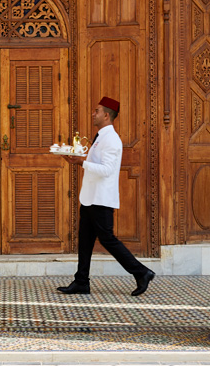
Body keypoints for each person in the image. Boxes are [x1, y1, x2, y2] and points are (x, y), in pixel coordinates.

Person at [58, 97, 155, 296]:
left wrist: (81, 163)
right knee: (85, 240)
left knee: (108, 240)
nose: (93, 114)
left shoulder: (111, 139)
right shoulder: (100, 137)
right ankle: (81, 281)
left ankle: (141, 272)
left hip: (101, 200)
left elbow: (107, 170)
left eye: (97, 111)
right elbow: (94, 163)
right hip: (90, 198)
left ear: (106, 115)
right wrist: (77, 159)